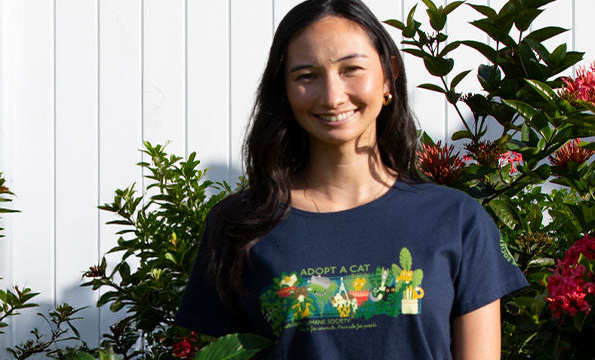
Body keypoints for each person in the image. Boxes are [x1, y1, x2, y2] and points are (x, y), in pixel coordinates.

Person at [174, 0, 528, 359]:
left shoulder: (457, 221)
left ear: (389, 74)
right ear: (283, 88)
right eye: (306, 76)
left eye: (351, 69)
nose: (332, 96)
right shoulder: (239, 224)